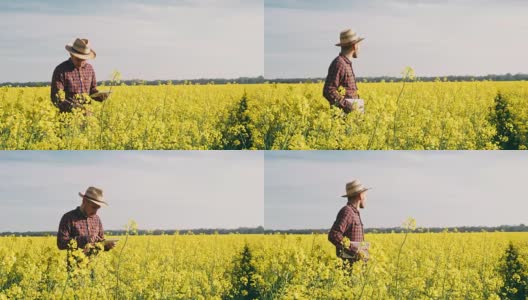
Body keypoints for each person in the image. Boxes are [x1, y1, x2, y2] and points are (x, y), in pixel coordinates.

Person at [51, 38, 108, 113]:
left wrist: (100, 96)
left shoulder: (89, 69)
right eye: (78, 59)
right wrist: (75, 108)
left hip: (88, 116)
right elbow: (56, 97)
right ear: (71, 54)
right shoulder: (61, 70)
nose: (81, 63)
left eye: (84, 59)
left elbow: (92, 90)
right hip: (68, 119)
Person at [57, 186, 117, 254]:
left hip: (95, 264)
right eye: (94, 207)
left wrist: (106, 246)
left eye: (98, 208)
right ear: (84, 201)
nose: (96, 212)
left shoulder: (97, 219)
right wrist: (84, 240)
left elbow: (100, 243)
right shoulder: (68, 218)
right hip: (75, 264)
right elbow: (61, 243)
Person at [328, 180, 370, 265]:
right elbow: (334, 235)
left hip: (356, 267)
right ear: (360, 195)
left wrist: (363, 252)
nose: (365, 198)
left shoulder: (354, 213)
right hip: (348, 269)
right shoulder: (347, 211)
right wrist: (355, 250)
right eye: (365, 195)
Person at [323, 29, 365, 113]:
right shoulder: (339, 64)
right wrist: (349, 107)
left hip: (350, 117)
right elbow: (328, 91)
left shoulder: (345, 63)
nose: (359, 48)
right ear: (354, 46)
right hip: (342, 119)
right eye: (358, 45)